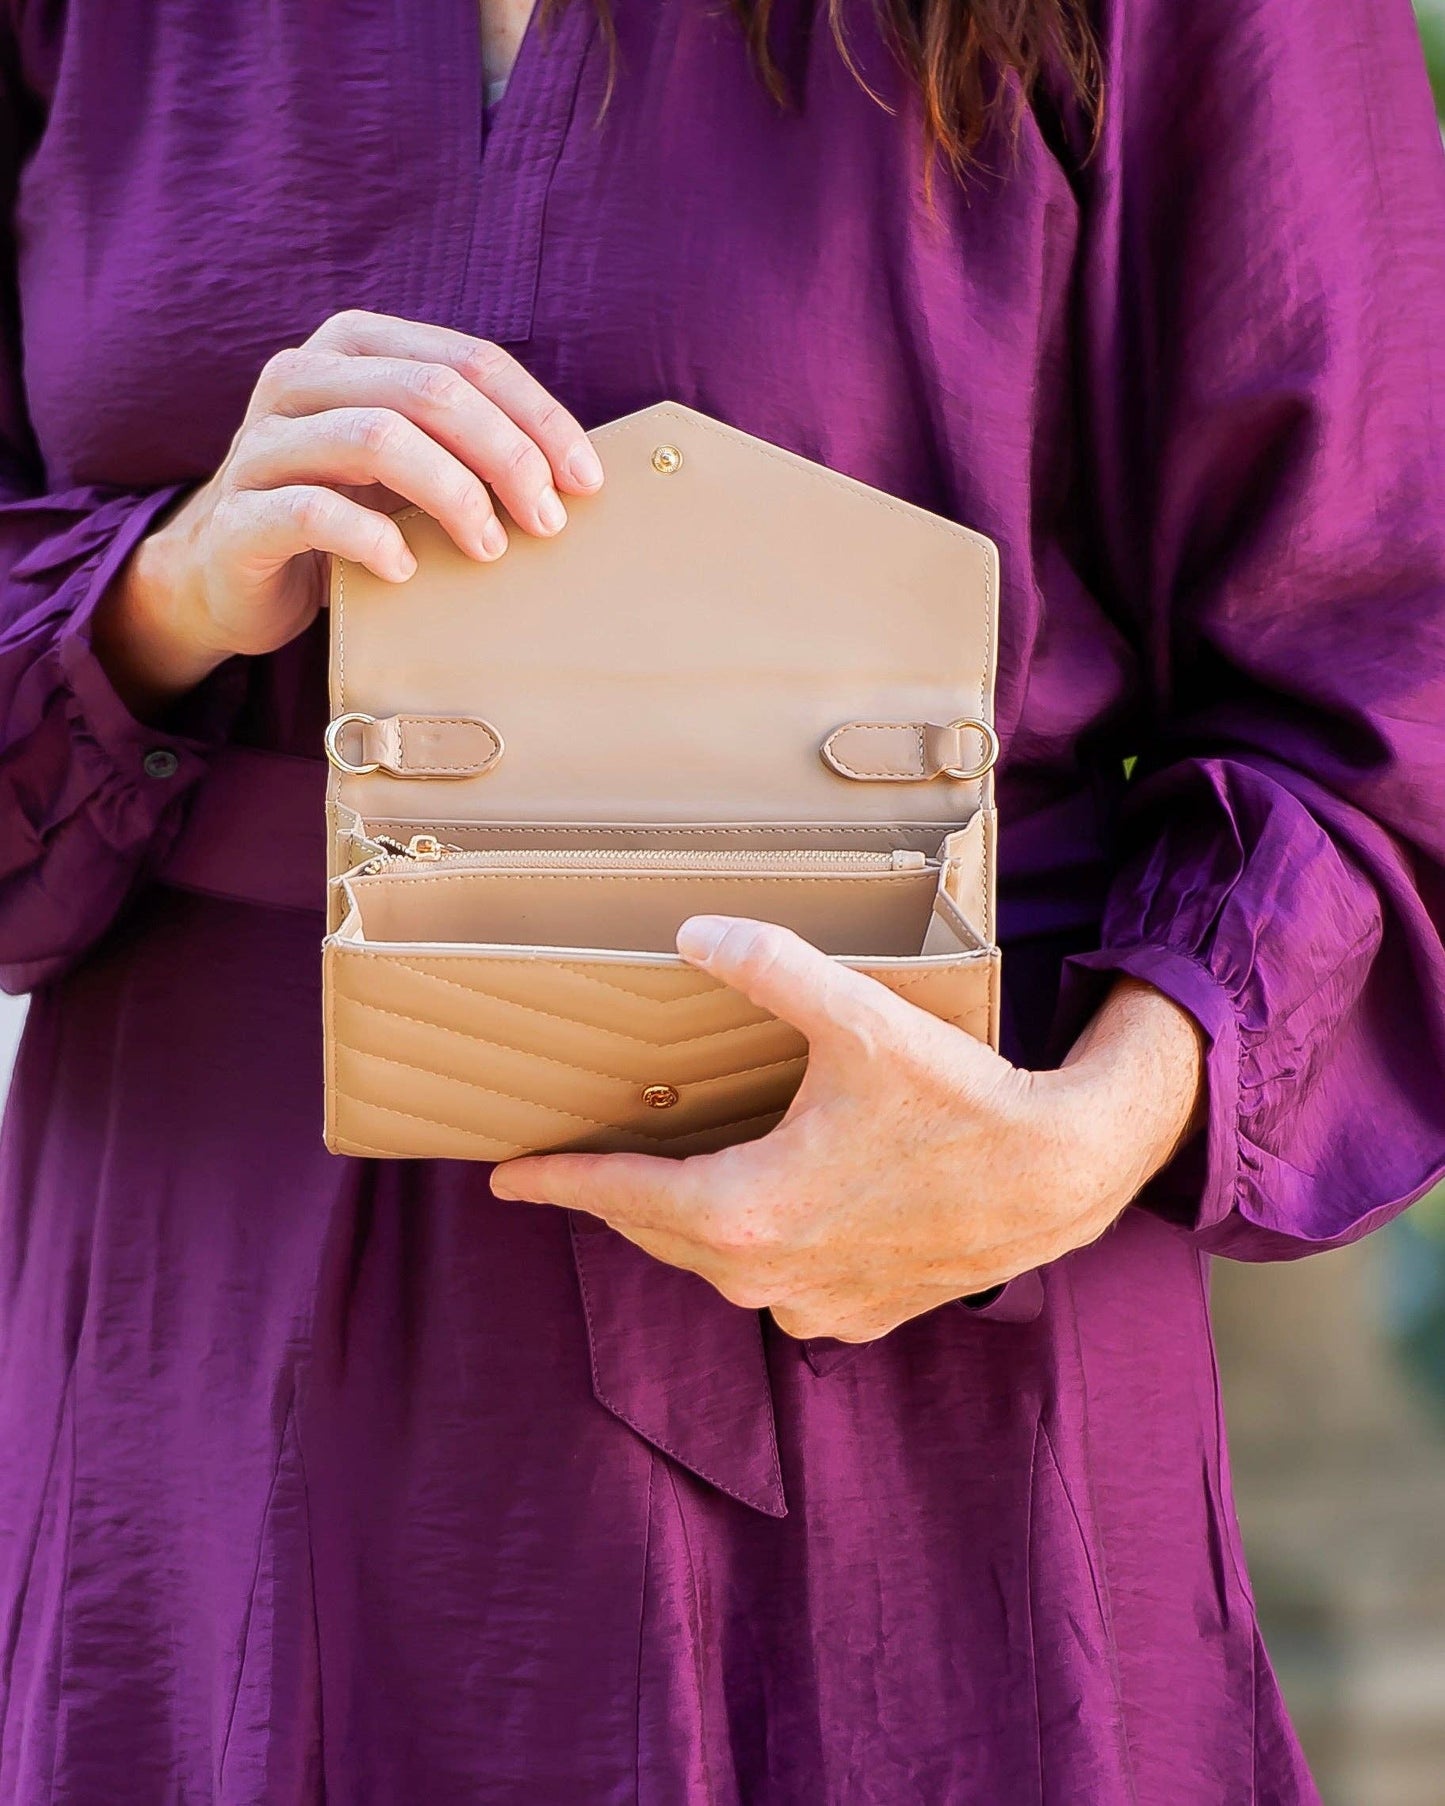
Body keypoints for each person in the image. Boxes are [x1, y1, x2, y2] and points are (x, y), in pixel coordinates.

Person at [1, 0, 1442, 1799]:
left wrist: (1076, 1135)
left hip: (908, 1368)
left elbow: (1393, 662)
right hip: (193, 1371)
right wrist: (165, 591)